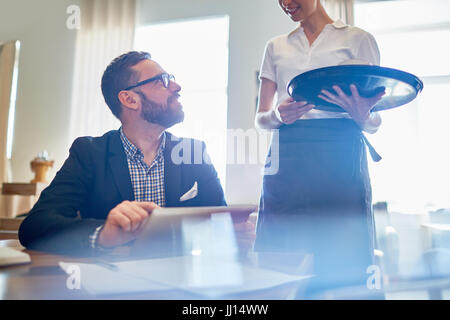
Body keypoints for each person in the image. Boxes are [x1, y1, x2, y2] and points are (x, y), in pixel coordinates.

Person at [19, 51, 254, 256]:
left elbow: (222, 225)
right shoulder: (89, 153)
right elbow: (35, 226)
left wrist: (234, 235)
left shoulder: (195, 152)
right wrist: (103, 235)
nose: (177, 86)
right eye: (162, 81)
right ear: (129, 99)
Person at [254, 0, 385, 296]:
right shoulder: (275, 47)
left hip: (340, 154)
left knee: (344, 251)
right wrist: (278, 115)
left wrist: (363, 116)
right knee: (282, 250)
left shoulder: (359, 39)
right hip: (288, 154)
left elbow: (375, 117)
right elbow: (260, 118)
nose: (285, 3)